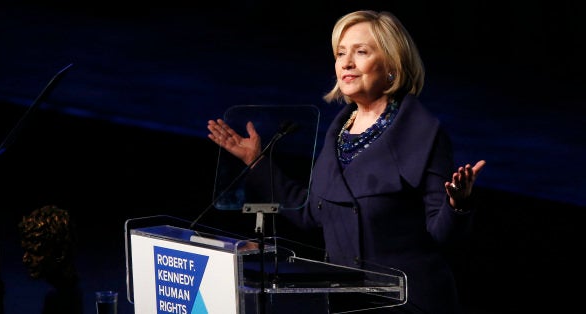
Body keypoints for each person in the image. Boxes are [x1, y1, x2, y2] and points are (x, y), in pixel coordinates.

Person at [207, 10, 486, 314]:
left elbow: (442, 235)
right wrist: (256, 162)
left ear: (392, 64)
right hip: (348, 300)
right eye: (341, 53)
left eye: (361, 52)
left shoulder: (424, 134)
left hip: (408, 303)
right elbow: (312, 214)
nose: (346, 62)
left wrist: (458, 204)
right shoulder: (338, 132)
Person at [18, 205, 84, 314]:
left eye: (35, 252)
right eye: (25, 250)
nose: (25, 259)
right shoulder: (52, 295)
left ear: (59, 253)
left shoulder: (58, 297)